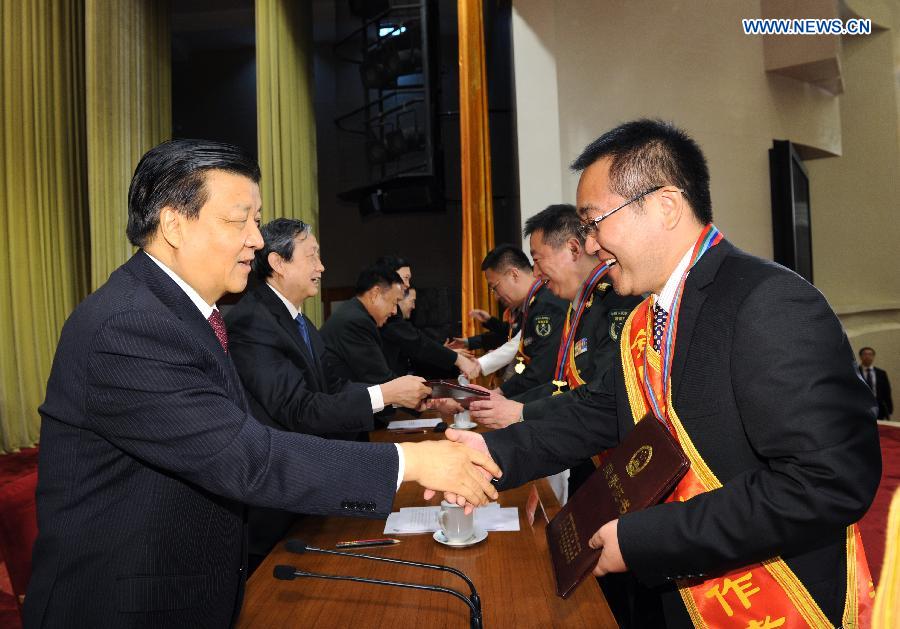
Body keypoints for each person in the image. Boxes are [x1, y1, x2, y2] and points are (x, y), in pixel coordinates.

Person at [25, 139, 500, 628]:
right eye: (239, 220)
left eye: (257, 220)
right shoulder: (129, 325)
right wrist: (413, 461)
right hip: (123, 608)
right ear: (173, 224)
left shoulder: (181, 313)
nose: (256, 239)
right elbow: (244, 456)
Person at [441, 120, 880, 628]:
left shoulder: (768, 302)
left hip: (778, 598)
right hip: (684, 590)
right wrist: (493, 454)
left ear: (666, 206)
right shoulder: (645, 319)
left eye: (594, 222)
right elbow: (601, 411)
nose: (590, 245)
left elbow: (828, 480)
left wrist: (647, 538)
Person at [224, 218, 432, 569]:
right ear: (277, 263)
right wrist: (385, 394)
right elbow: (299, 408)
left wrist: (394, 395)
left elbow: (333, 387)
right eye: (312, 256)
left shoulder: (298, 321)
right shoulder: (253, 321)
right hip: (274, 508)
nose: (321, 267)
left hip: (306, 494)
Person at [471, 244, 568, 397]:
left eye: (495, 287)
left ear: (514, 274)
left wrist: (500, 394)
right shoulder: (532, 304)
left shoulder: (546, 306)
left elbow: (541, 370)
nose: (496, 296)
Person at [376, 255, 480, 380]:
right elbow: (416, 342)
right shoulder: (381, 311)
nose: (407, 285)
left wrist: (445, 353)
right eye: (405, 278)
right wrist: (457, 359)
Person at [321, 265, 408, 385]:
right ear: (375, 294)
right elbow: (381, 379)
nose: (394, 311)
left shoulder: (353, 312)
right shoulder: (356, 322)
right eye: (394, 302)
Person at [858, 346, 893, 419]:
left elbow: (887, 391)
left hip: (878, 407)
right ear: (860, 357)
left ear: (873, 357)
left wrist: (889, 408)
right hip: (860, 407)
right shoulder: (855, 372)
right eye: (865, 354)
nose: (867, 356)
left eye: (870, 354)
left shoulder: (881, 373)